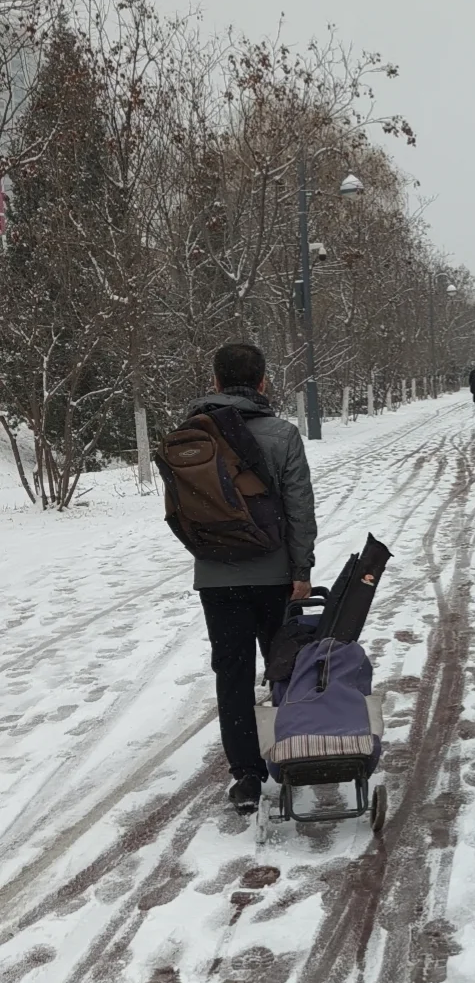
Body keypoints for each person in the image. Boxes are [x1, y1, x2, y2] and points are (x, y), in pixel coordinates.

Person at [191, 342, 317, 813]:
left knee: (233, 673)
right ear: (263, 383)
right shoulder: (282, 435)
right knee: (285, 663)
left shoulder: (191, 434)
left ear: (216, 382)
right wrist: (301, 568)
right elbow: (299, 507)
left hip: (215, 575)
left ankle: (246, 776)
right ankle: (294, 754)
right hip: (274, 574)